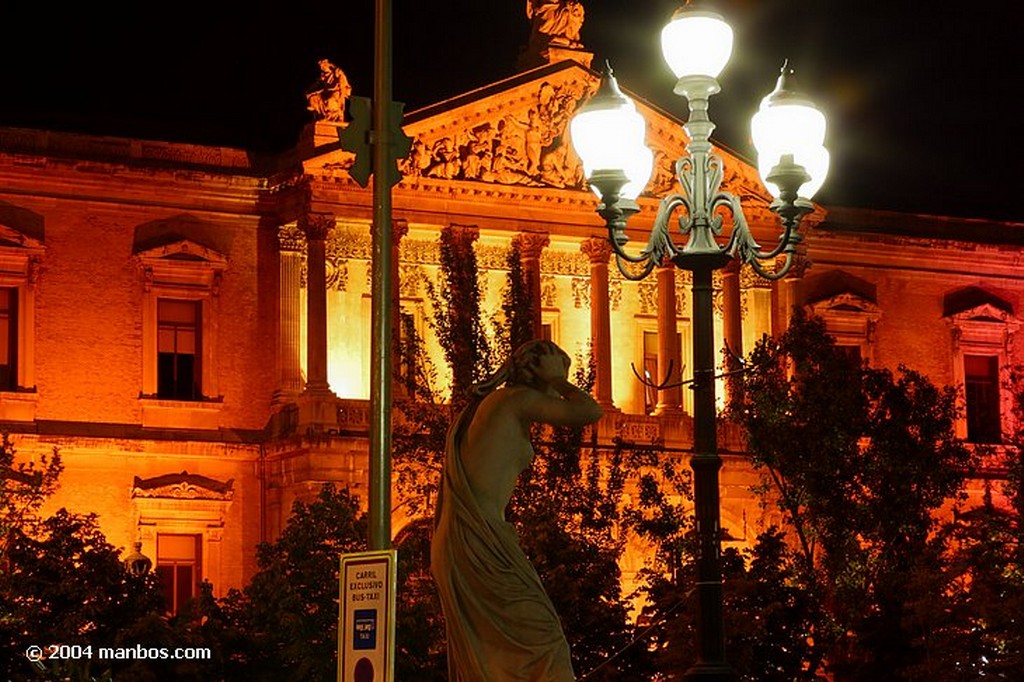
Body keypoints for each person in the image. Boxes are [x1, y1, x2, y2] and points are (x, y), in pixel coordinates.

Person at [431, 340, 602, 681]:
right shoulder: (515, 400)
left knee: (495, 660)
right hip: (479, 542)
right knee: (545, 644)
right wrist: (557, 380)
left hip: (465, 539)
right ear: (538, 374)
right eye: (559, 372)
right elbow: (589, 411)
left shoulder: (492, 405)